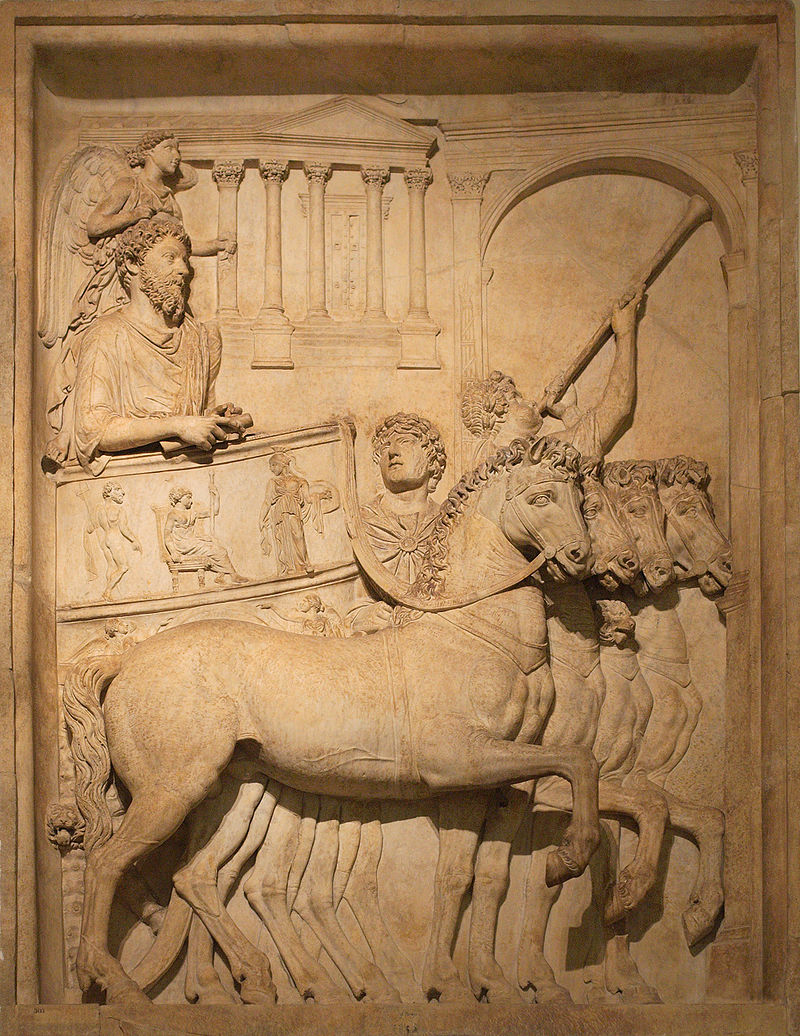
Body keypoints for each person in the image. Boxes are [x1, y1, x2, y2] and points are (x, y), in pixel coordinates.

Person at [71, 215, 251, 474]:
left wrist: (212, 420)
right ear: (133, 263)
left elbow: (193, 419)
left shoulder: (199, 337)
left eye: (185, 260)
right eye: (170, 258)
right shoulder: (106, 334)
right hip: (132, 479)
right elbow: (92, 428)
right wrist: (178, 426)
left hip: (191, 476)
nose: (184, 270)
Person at [349, 412, 446, 634]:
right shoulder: (360, 523)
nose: (392, 452)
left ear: (432, 460)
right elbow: (338, 595)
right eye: (385, 447)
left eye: (405, 442)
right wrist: (359, 616)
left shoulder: (450, 524)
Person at [86, 130, 235, 258]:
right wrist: (134, 215)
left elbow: (180, 243)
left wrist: (214, 245)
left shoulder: (169, 199)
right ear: (149, 151)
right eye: (168, 148)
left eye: (177, 151)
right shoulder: (129, 185)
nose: (177, 156)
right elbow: (94, 226)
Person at [163, 485, 247, 585]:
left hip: (192, 542)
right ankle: (233, 575)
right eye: (188, 497)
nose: (191, 501)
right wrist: (173, 552)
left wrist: (217, 496)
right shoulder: (173, 514)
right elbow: (167, 534)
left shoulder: (192, 512)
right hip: (183, 545)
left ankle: (221, 575)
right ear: (180, 498)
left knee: (221, 547)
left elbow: (213, 512)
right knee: (220, 551)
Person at [83, 481, 142, 600]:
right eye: (118, 489)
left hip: (104, 540)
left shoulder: (98, 508)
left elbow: (90, 528)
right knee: (124, 567)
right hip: (114, 539)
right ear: (109, 493)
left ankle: (111, 593)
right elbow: (124, 529)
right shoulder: (118, 510)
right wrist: (134, 540)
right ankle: (108, 591)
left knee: (111, 566)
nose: (122, 492)